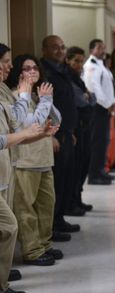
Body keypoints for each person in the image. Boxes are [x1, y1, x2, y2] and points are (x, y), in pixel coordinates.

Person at [5, 54, 63, 267]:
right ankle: (32, 250)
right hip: (25, 161)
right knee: (26, 210)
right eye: (26, 68)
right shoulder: (16, 96)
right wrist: (45, 101)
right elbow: (30, 125)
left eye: (34, 68)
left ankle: (45, 244)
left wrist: (47, 100)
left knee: (47, 205)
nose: (32, 72)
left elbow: (56, 120)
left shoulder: (39, 95)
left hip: (44, 158)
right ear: (18, 73)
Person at [0, 43, 45, 293]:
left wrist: (33, 135)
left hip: (5, 167)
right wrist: (26, 95)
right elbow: (11, 129)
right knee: (9, 226)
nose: (9, 67)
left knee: (6, 228)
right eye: (5, 61)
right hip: (6, 165)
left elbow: (14, 124)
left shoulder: (4, 89)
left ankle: (2, 279)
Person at [40, 35, 80, 241]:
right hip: (54, 135)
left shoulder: (63, 70)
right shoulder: (44, 72)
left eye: (62, 47)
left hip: (66, 133)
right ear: (44, 49)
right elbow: (45, 106)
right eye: (55, 47)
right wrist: (51, 135)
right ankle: (51, 225)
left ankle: (60, 218)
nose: (60, 51)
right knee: (55, 182)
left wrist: (70, 130)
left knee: (66, 178)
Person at [63, 46, 95, 214]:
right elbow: (82, 101)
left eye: (81, 61)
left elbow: (92, 98)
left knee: (84, 164)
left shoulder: (78, 78)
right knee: (75, 167)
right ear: (67, 60)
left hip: (84, 125)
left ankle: (78, 198)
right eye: (76, 61)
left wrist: (88, 97)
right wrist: (87, 97)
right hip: (76, 125)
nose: (79, 65)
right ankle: (71, 202)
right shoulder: (66, 76)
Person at [82, 39, 115, 185]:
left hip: (105, 107)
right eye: (99, 48)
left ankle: (101, 170)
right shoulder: (90, 66)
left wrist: (113, 101)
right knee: (97, 141)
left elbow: (107, 87)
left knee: (104, 141)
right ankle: (94, 174)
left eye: (104, 48)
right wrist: (107, 104)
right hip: (98, 107)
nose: (103, 50)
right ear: (92, 50)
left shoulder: (101, 66)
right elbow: (93, 88)